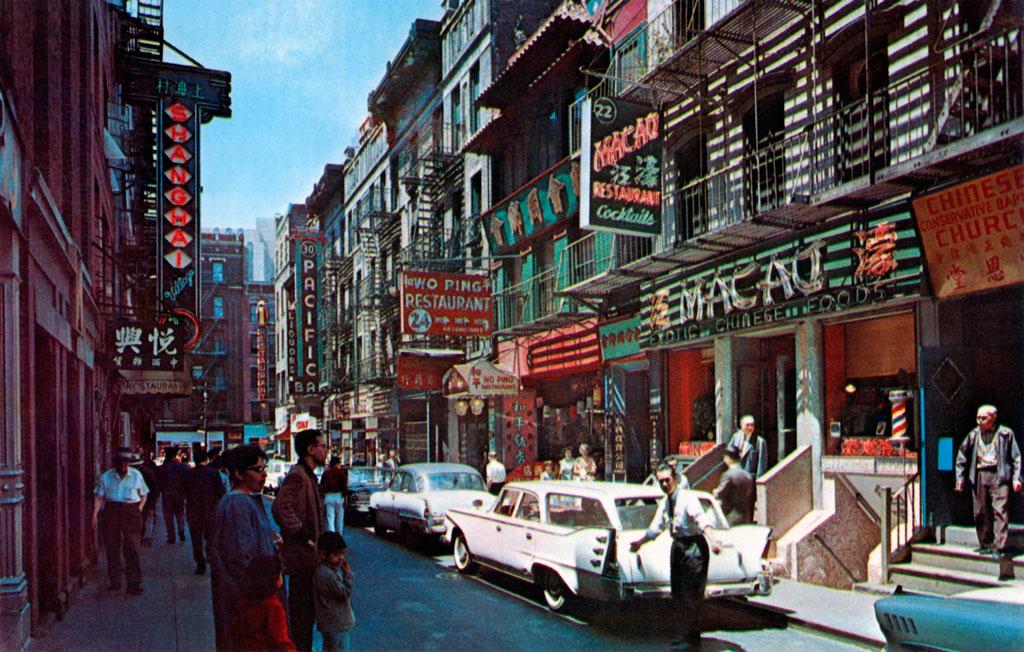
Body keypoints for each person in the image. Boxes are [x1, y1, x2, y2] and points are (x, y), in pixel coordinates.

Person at [630, 463, 721, 652]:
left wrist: (713, 541)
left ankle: (692, 640)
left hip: (694, 547)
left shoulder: (688, 499)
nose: (664, 484)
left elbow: (702, 521)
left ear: (675, 479)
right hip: (678, 547)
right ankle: (684, 635)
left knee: (692, 594)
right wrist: (640, 542)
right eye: (660, 481)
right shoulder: (665, 502)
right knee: (678, 593)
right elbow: (656, 528)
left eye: (667, 480)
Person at [208, 444, 283, 652]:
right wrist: (269, 584)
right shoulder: (237, 504)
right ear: (239, 474)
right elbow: (242, 560)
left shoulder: (244, 501)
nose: (265, 474)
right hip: (249, 607)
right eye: (258, 469)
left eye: (264, 468)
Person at [272, 429, 327, 652]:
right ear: (310, 450)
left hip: (309, 561)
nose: (326, 450)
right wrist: (302, 536)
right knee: (301, 622)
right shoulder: (298, 476)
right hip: (301, 562)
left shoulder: (308, 476)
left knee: (307, 620)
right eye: (322, 446)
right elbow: (280, 507)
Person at [955, 404, 1022, 574]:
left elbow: (1017, 458)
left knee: (1000, 510)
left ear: (993, 418)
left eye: (983, 418)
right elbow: (962, 455)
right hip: (979, 475)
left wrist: (1016, 478)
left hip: (999, 475)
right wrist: (959, 478)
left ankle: (999, 546)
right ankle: (985, 543)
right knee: (980, 511)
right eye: (978, 418)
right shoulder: (974, 435)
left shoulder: (1006, 434)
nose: (979, 421)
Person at [92, 447, 149, 594]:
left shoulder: (136, 476)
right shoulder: (106, 477)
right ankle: (115, 581)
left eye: (126, 463)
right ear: (115, 463)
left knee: (132, 548)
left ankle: (134, 583)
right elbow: (99, 497)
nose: (123, 466)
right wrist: (95, 515)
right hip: (111, 511)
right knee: (112, 548)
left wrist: (139, 509)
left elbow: (143, 494)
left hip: (130, 511)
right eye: (121, 463)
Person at [229, 555, 296, 652]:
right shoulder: (273, 606)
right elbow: (279, 640)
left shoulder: (243, 601)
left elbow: (235, 630)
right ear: (273, 579)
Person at [185, 447, 226, 575]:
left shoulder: (189, 474)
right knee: (211, 537)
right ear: (206, 459)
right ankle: (210, 556)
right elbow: (221, 493)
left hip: (194, 511)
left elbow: (184, 491)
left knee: (196, 539)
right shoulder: (214, 474)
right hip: (211, 511)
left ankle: (200, 563)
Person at [314, 532, 355, 652]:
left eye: (342, 554)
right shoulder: (327, 574)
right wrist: (348, 576)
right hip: (336, 623)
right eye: (336, 555)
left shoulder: (324, 570)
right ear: (323, 555)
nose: (341, 558)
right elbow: (344, 593)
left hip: (330, 624)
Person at [713, 447, 755, 525]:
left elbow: (720, 494)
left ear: (728, 458)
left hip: (730, 515)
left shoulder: (728, 475)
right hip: (745, 515)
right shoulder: (747, 476)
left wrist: (715, 492)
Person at [159, 446, 190, 543]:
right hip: (180, 494)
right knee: (180, 514)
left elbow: (159, 483)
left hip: (167, 494)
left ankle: (171, 536)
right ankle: (181, 530)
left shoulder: (163, 468)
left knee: (168, 516)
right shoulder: (184, 467)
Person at [138, 449, 161, 546]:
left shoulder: (147, 475)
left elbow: (154, 490)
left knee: (145, 520)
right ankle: (143, 537)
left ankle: (146, 538)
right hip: (142, 502)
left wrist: (152, 505)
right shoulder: (146, 474)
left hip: (146, 502)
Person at [321, 456, 349, 535]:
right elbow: (344, 486)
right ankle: (339, 537)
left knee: (330, 518)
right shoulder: (341, 473)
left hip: (328, 496)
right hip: (339, 496)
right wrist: (345, 498)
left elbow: (322, 486)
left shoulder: (326, 473)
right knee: (339, 520)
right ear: (337, 464)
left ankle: (331, 536)